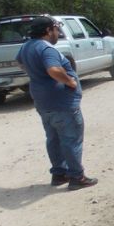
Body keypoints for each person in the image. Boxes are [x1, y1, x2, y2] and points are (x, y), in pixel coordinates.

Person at [15, 16, 97, 191]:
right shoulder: (47, 49)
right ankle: (77, 176)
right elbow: (53, 69)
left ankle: (59, 174)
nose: (58, 33)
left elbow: (20, 63)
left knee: (53, 138)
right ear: (47, 30)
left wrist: (37, 74)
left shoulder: (26, 47)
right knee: (71, 139)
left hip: (43, 102)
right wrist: (70, 82)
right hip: (61, 102)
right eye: (56, 29)